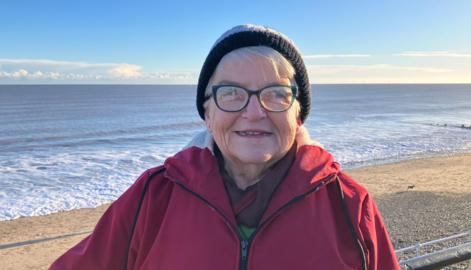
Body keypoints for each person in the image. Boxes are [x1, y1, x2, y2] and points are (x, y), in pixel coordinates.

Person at [50, 24, 400, 270]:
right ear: (207, 112)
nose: (253, 112)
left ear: (299, 114)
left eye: (276, 94)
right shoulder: (153, 196)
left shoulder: (349, 205)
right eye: (230, 93)